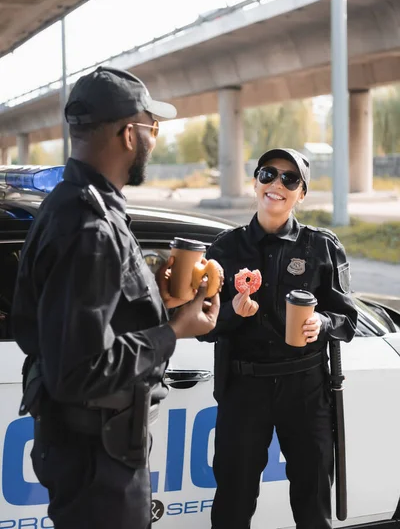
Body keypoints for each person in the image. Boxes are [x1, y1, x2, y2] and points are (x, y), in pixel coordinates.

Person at [11, 66, 220, 529]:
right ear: (129, 133)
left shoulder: (71, 205)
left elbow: (87, 325)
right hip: (97, 463)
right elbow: (79, 370)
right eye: (153, 127)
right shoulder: (90, 227)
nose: (155, 139)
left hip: (94, 450)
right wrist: (174, 332)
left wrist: (162, 307)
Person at [201, 148, 358, 529]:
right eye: (268, 174)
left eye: (290, 179)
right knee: (233, 503)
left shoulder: (320, 246)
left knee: (312, 500)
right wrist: (231, 314)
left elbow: (347, 319)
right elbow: (202, 326)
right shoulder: (225, 248)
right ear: (255, 182)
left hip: (305, 388)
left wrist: (321, 322)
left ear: (301, 194)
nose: (277, 185)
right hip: (244, 389)